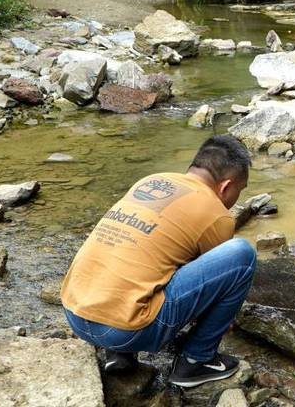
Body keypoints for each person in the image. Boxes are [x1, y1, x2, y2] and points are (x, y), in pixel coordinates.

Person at [60, 135, 257, 388]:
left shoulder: (151, 181)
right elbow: (212, 290)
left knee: (143, 251)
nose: (235, 201)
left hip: (75, 314)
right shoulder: (216, 213)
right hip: (124, 330)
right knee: (241, 255)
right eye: (239, 192)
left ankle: (117, 354)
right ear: (226, 187)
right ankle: (196, 361)